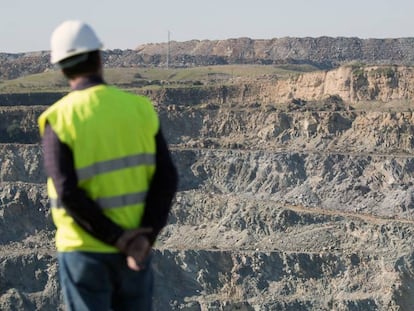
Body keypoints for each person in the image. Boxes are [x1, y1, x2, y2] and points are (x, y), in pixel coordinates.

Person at [38, 20, 178, 311]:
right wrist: (143, 238)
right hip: (136, 250)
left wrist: (115, 238)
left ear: (62, 68)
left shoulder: (59, 119)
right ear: (99, 58)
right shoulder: (140, 109)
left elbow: (67, 190)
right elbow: (167, 178)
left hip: (83, 252)